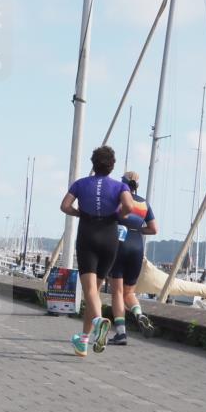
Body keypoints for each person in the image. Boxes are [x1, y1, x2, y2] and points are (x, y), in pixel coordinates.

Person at [59, 146, 136, 356]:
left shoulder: (81, 184)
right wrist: (118, 213)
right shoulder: (120, 187)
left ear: (93, 164)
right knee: (94, 291)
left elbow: (65, 206)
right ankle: (83, 341)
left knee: (90, 291)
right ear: (112, 166)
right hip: (110, 238)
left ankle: (99, 320)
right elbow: (129, 207)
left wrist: (80, 214)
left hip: (88, 235)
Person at [108, 171, 158, 345]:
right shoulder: (144, 203)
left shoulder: (119, 199)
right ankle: (139, 314)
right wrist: (138, 230)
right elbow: (153, 229)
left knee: (118, 293)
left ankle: (121, 333)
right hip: (137, 245)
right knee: (129, 292)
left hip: (120, 243)